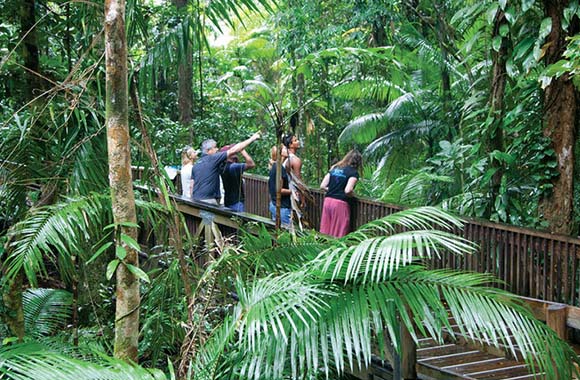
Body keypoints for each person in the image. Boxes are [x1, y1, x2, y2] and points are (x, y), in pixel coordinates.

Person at [191, 132, 260, 204]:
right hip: (208, 200)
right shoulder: (213, 158)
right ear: (209, 151)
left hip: (196, 199)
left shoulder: (197, 163)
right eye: (215, 147)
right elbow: (234, 151)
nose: (217, 149)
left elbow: (192, 185)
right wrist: (252, 138)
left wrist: (191, 200)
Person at [319, 150, 362, 238]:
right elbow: (348, 190)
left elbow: (323, 186)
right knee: (338, 232)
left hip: (328, 201)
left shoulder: (335, 168)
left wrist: (334, 190)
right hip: (340, 204)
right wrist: (354, 196)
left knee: (325, 231)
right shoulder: (353, 172)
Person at [219, 145, 255, 212]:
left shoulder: (222, 166)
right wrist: (242, 150)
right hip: (236, 203)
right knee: (238, 221)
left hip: (227, 201)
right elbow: (251, 164)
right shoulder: (233, 167)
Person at [268, 145, 292, 225]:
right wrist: (292, 191)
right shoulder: (279, 169)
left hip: (274, 204)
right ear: (280, 153)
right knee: (284, 233)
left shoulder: (275, 166)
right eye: (285, 148)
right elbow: (279, 190)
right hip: (281, 208)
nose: (287, 149)